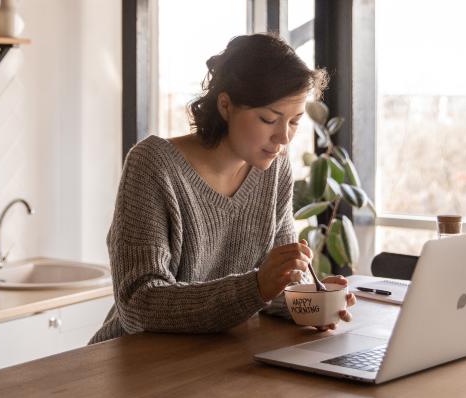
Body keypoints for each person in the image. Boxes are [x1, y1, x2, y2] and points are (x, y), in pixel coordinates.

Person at [89, 33, 355, 344]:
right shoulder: (153, 165)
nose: (283, 138)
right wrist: (257, 286)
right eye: (269, 119)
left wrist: (311, 301)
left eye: (294, 122)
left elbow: (274, 285)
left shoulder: (274, 169)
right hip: (133, 362)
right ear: (226, 105)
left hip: (212, 360)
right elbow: (139, 304)